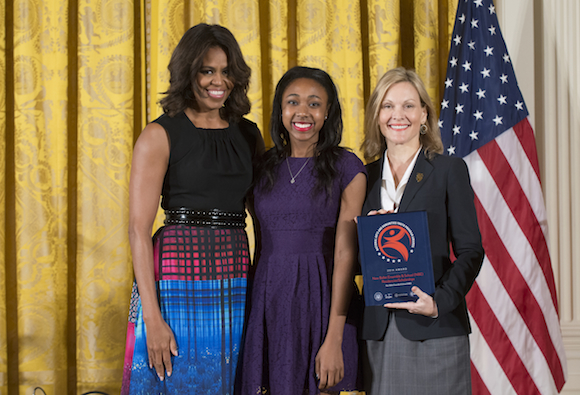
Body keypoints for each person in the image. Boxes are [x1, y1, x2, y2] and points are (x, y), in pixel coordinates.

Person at [121, 23, 264, 395]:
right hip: (176, 279)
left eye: (226, 70)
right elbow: (138, 229)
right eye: (207, 70)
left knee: (231, 380)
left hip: (236, 277)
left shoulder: (249, 135)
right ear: (188, 71)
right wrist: (152, 317)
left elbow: (264, 215)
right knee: (176, 379)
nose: (219, 80)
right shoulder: (159, 134)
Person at [236, 66, 367, 395]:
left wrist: (334, 337)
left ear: (327, 112)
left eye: (314, 103)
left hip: (322, 300)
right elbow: (262, 245)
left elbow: (346, 253)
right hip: (270, 302)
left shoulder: (347, 166)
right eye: (292, 102)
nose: (302, 112)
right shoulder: (263, 167)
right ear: (281, 110)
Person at [359, 67, 484, 395]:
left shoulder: (448, 170)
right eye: (388, 106)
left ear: (424, 114)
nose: (397, 115)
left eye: (408, 105)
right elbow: (352, 263)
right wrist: (365, 236)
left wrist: (439, 302)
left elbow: (471, 250)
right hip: (378, 330)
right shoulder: (362, 177)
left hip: (435, 328)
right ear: (376, 114)